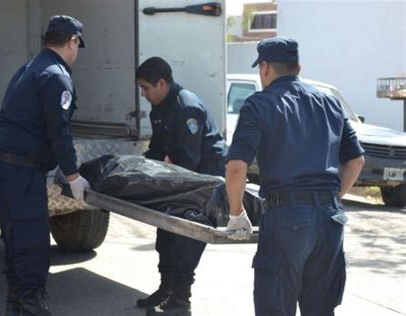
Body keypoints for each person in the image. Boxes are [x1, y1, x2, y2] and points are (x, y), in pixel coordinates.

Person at [224, 37, 365, 315]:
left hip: (286, 217)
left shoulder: (259, 104)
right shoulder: (329, 102)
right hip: (331, 218)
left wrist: (236, 213)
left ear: (264, 68)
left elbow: (236, 166)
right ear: (298, 66)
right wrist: (332, 199)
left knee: (275, 306)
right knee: (321, 309)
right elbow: (356, 161)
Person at [0, 15, 90, 315]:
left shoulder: (30, 67)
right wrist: (73, 175)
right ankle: (31, 307)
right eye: (78, 45)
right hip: (19, 170)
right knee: (32, 244)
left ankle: (17, 306)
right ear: (72, 41)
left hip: (3, 166)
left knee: (17, 240)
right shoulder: (56, 75)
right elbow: (59, 130)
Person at [135, 57, 228, 316]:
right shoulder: (160, 107)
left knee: (187, 236)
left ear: (161, 83)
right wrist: (137, 169)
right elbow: (157, 150)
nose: (143, 94)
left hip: (205, 179)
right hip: (182, 176)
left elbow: (189, 161)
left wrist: (164, 172)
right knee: (165, 231)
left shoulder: (185, 107)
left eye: (145, 88)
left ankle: (180, 301)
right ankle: (166, 289)